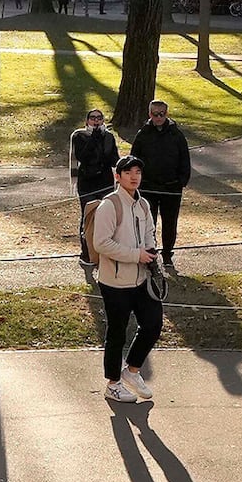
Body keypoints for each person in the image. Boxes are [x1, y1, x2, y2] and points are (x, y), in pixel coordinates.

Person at [87, 156, 164, 403]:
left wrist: (150, 253)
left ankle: (132, 371)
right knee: (117, 333)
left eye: (138, 172)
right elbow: (101, 243)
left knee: (153, 324)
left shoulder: (143, 205)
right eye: (128, 172)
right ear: (117, 176)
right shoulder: (110, 205)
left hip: (141, 279)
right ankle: (113, 384)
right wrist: (135, 255)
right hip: (114, 282)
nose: (134, 176)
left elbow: (150, 233)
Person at [129, 99, 192, 254]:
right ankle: (150, 253)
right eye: (155, 114)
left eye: (162, 114)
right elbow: (134, 159)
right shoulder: (143, 134)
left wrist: (181, 181)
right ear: (150, 114)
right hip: (148, 187)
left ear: (166, 114)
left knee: (170, 223)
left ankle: (168, 253)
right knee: (148, 223)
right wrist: (137, 182)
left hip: (171, 187)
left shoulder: (176, 134)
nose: (158, 118)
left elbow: (185, 159)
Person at [68, 106, 122, 242]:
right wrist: (93, 139)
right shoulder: (79, 135)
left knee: (106, 214)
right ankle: (86, 249)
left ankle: (105, 245)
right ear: (87, 121)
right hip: (87, 181)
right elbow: (82, 157)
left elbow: (114, 159)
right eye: (93, 118)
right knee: (88, 214)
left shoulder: (109, 136)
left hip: (105, 181)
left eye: (99, 118)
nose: (96, 121)